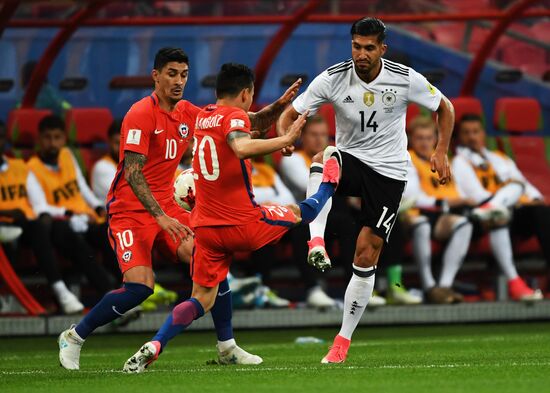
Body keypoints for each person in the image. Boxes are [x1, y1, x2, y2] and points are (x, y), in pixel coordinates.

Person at [58, 47, 302, 371]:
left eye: (184, 75)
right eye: (171, 74)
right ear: (155, 76)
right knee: (140, 288)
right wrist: (160, 216)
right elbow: (132, 172)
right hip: (130, 212)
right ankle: (74, 336)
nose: (178, 81)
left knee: (211, 259)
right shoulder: (140, 114)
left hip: (170, 208)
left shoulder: (188, 112)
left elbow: (244, 123)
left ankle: (226, 346)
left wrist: (280, 106)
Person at [122, 62, 339, 373]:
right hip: (241, 224)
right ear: (246, 93)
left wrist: (279, 107)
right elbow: (240, 145)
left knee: (200, 300)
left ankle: (156, 343)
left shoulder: (204, 117)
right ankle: (331, 179)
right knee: (301, 211)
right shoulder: (234, 117)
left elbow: (248, 127)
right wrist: (284, 139)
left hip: (205, 230)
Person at [278, 17, 455, 363]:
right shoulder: (333, 77)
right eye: (357, 46)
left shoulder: (404, 79)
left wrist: (440, 150)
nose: (361, 53)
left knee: (365, 253)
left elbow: (445, 107)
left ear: (382, 49)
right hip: (352, 162)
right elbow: (292, 112)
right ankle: (316, 240)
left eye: (369, 48)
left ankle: (341, 342)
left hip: (389, 174)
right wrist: (287, 137)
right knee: (324, 156)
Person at [451, 113, 545, 301]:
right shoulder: (459, 162)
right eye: (466, 132)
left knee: (541, 210)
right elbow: (476, 195)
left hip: (510, 209)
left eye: (476, 131)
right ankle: (515, 282)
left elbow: (526, 186)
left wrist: (534, 198)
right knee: (501, 211)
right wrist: (508, 201)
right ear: (459, 137)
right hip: (481, 213)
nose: (472, 136)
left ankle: (496, 207)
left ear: (483, 134)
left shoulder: (499, 158)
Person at [26, 115, 116, 302]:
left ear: (64, 139)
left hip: (86, 217)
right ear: (39, 139)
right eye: (47, 137)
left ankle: (135, 288)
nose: (52, 143)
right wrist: (68, 214)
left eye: (57, 137)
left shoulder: (67, 155)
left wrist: (97, 206)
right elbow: (39, 206)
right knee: (77, 244)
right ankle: (110, 295)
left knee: (111, 235)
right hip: (62, 224)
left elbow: (81, 186)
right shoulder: (31, 167)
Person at [0, 120, 84, 314]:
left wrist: (52, 214)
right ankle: (10, 298)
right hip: (4, 223)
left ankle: (61, 292)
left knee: (41, 226)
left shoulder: (19, 166)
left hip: (23, 224)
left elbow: (38, 204)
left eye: (1, 137)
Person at [404, 116, 474, 304]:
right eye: (420, 138)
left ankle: (444, 285)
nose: (425, 143)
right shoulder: (408, 158)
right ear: (411, 139)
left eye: (429, 138)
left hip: (442, 212)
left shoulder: (443, 160)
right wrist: (445, 203)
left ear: (436, 139)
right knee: (422, 225)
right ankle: (429, 286)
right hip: (417, 212)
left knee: (464, 224)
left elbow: (456, 190)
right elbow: (412, 197)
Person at [91, 120, 121, 201]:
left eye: (125, 143)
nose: (122, 148)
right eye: (117, 143)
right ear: (109, 142)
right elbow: (122, 194)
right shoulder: (101, 167)